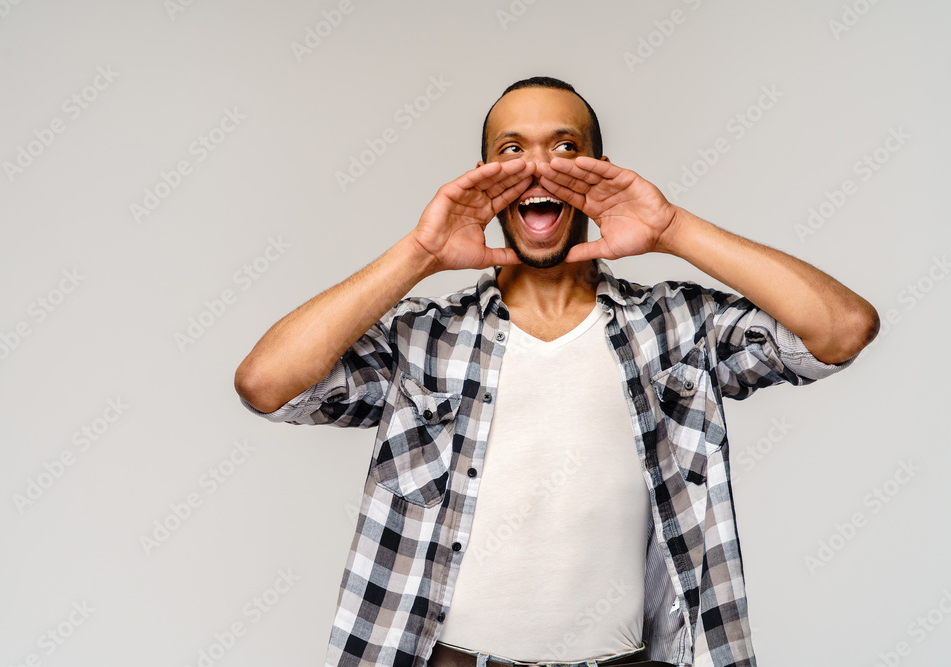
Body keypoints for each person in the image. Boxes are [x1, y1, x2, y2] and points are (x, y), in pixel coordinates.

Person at [234, 77, 879, 667]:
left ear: (598, 174)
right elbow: (266, 383)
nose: (538, 167)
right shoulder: (425, 338)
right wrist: (421, 254)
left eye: (565, 147)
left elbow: (841, 329)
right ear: (486, 178)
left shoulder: (676, 328)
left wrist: (671, 228)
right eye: (511, 150)